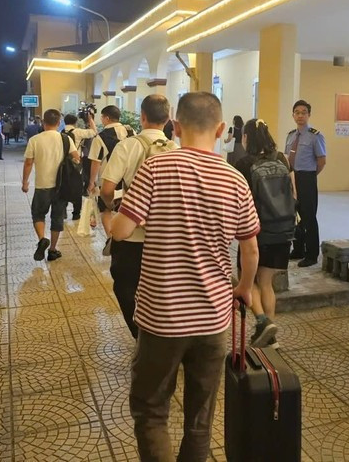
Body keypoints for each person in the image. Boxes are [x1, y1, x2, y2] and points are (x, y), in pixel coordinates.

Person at [111, 91, 259, 462]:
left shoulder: (157, 168)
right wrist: (242, 288)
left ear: (175, 127)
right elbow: (251, 249)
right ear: (221, 128)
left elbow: (123, 231)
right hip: (212, 319)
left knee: (150, 409)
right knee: (199, 418)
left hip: (162, 318)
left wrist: (110, 217)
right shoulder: (235, 179)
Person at [101, 95, 175, 339]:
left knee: (125, 285)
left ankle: (140, 333)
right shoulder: (176, 149)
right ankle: (161, 333)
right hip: (164, 237)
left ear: (143, 117)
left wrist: (113, 208)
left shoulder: (127, 145)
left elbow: (107, 188)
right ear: (167, 118)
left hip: (131, 234)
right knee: (162, 288)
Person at [234, 119, 296, 348]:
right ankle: (271, 337)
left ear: (247, 137)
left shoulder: (243, 164)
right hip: (282, 229)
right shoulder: (282, 159)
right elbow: (294, 194)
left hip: (256, 232)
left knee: (249, 281)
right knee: (267, 282)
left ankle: (262, 323)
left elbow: (239, 202)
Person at [21, 109, 79, 262]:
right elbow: (77, 158)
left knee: (38, 215)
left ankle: (42, 239)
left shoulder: (35, 140)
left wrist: (25, 182)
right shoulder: (66, 139)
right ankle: (52, 250)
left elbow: (28, 163)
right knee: (57, 217)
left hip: (42, 185)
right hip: (61, 186)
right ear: (59, 123)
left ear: (43, 122)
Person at [284, 100, 326, 267]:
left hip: (307, 178)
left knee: (308, 216)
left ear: (309, 115)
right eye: (297, 112)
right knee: (294, 215)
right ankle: (298, 249)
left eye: (303, 112)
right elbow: (287, 157)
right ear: (293, 115)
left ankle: (312, 254)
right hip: (292, 178)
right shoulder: (290, 135)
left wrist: (310, 176)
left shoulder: (315, 135)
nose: (300, 115)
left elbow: (322, 161)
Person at [87, 105, 129, 239]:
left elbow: (95, 162)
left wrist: (91, 182)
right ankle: (124, 237)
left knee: (106, 210)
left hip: (108, 180)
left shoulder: (100, 137)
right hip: (129, 179)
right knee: (125, 210)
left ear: (107, 118)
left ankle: (111, 239)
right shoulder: (131, 131)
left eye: (102, 117)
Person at [62, 113, 98, 221]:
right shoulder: (77, 132)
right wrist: (90, 119)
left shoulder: (61, 132)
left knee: (63, 186)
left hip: (63, 164)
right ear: (75, 122)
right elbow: (94, 132)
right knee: (77, 187)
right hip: (76, 163)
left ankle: (63, 211)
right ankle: (76, 213)